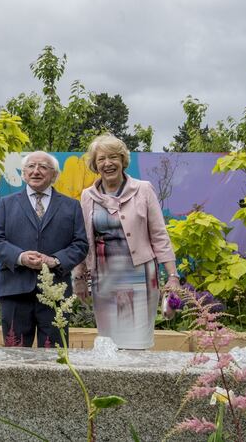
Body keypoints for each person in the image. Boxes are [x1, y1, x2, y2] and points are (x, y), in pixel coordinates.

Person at [73, 134, 179, 350]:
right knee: (109, 344)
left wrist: (173, 276)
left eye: (113, 157)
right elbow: (83, 239)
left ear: (122, 160)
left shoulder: (143, 189)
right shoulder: (87, 196)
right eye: (101, 159)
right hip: (103, 279)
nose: (108, 163)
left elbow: (159, 235)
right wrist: (79, 277)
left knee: (138, 342)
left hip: (140, 278)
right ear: (95, 165)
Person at [0, 151, 88, 347]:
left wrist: (55, 260)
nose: (36, 171)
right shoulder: (6, 204)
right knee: (15, 356)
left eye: (43, 167)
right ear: (24, 173)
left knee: (54, 355)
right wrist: (20, 256)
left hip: (55, 292)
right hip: (14, 289)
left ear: (54, 175)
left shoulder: (72, 206)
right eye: (31, 167)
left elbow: (81, 244)